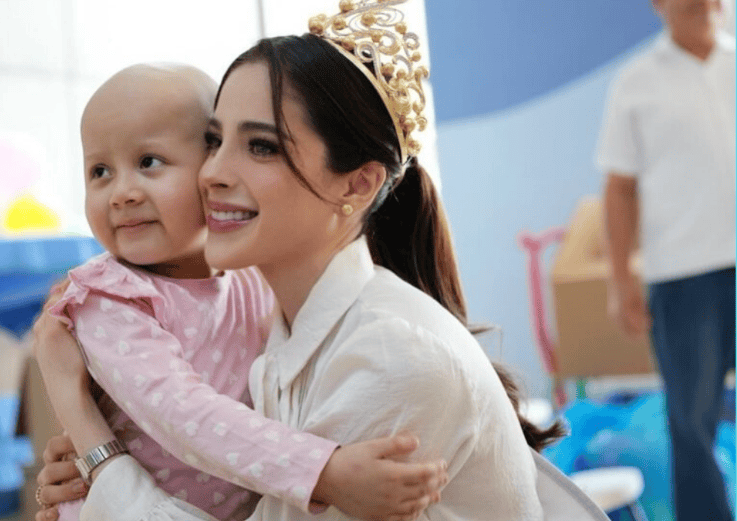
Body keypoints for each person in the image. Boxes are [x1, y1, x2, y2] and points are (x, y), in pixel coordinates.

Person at [35, 1, 614, 520]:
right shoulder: (279, 320)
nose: (213, 172)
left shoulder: (390, 358)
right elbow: (181, 420)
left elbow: (200, 425)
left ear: (357, 185)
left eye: (260, 146)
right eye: (216, 141)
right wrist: (103, 457)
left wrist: (93, 442)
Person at [32, 63, 447, 521]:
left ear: (210, 167)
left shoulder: (251, 277)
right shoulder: (110, 299)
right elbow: (183, 414)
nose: (120, 193)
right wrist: (325, 472)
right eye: (100, 171)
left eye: (148, 162)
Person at [597, 0, 735, 519]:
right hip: (683, 279)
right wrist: (620, 281)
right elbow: (619, 189)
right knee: (691, 426)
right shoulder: (635, 82)